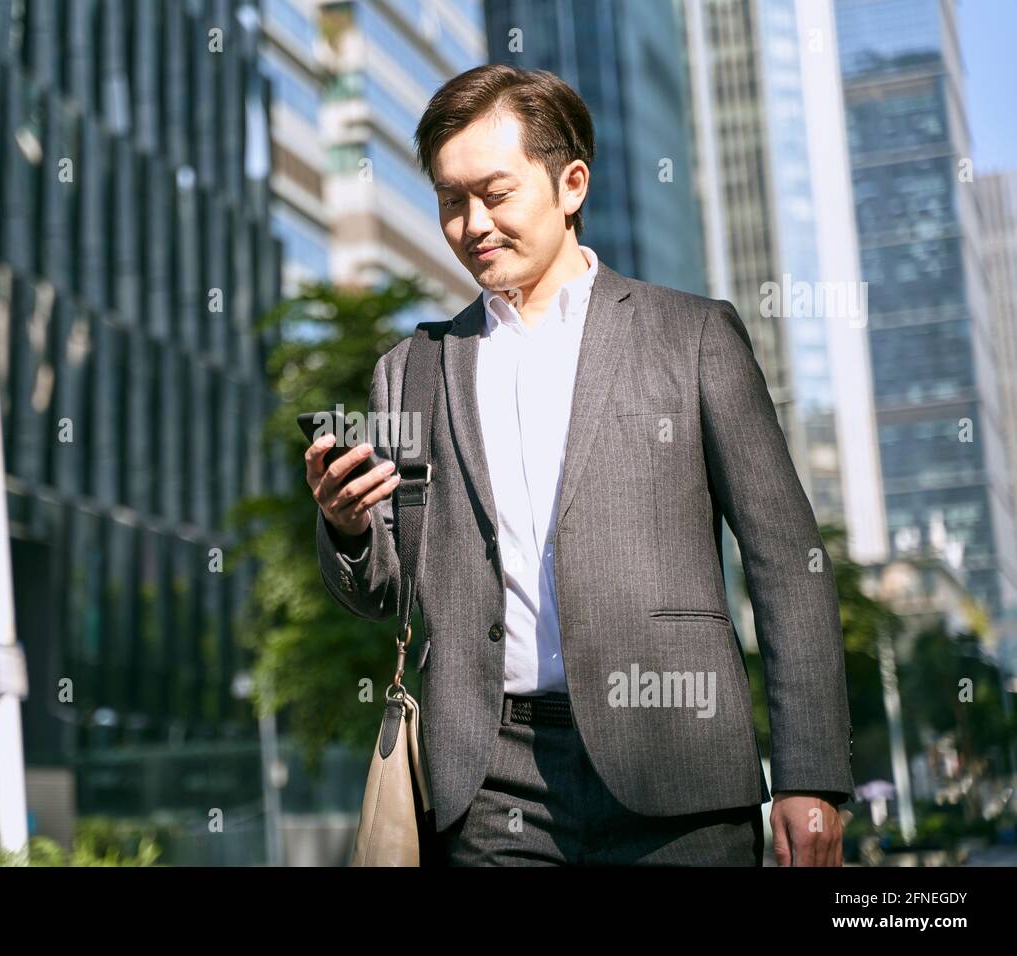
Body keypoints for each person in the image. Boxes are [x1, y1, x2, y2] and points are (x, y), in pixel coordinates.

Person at [305, 64, 852, 866]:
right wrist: (346, 527)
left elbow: (787, 562)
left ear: (570, 184)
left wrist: (812, 777)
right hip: (488, 784)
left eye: (495, 193)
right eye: (451, 202)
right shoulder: (411, 370)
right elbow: (386, 589)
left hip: (677, 773)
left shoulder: (692, 337)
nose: (472, 223)